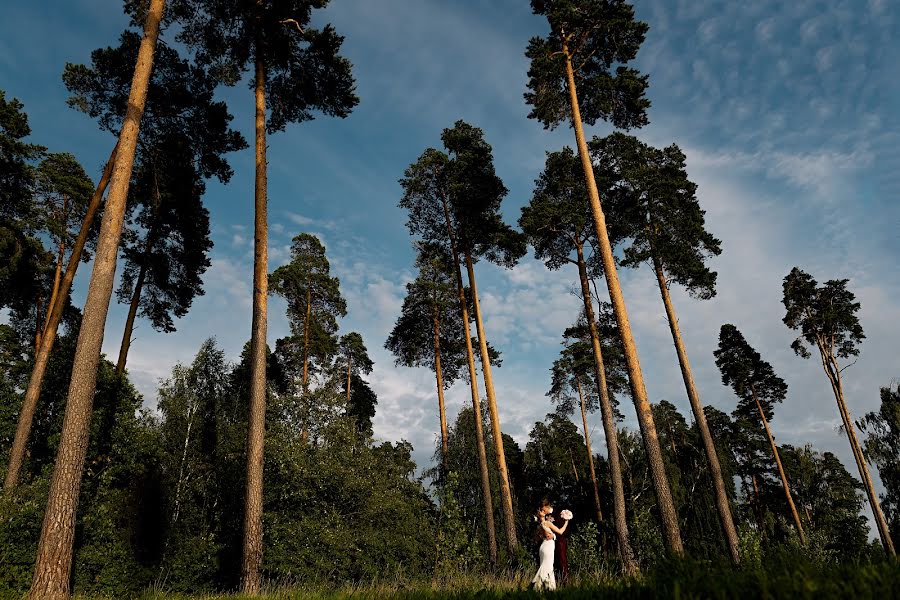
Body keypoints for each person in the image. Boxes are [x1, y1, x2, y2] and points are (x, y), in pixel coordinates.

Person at [531, 499, 569, 591]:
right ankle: (536, 587)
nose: (543, 511)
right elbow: (559, 532)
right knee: (546, 567)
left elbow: (538, 537)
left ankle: (550, 588)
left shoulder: (540, 524)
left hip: (543, 546)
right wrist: (567, 521)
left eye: (543, 510)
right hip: (548, 546)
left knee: (547, 567)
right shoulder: (546, 523)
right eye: (542, 510)